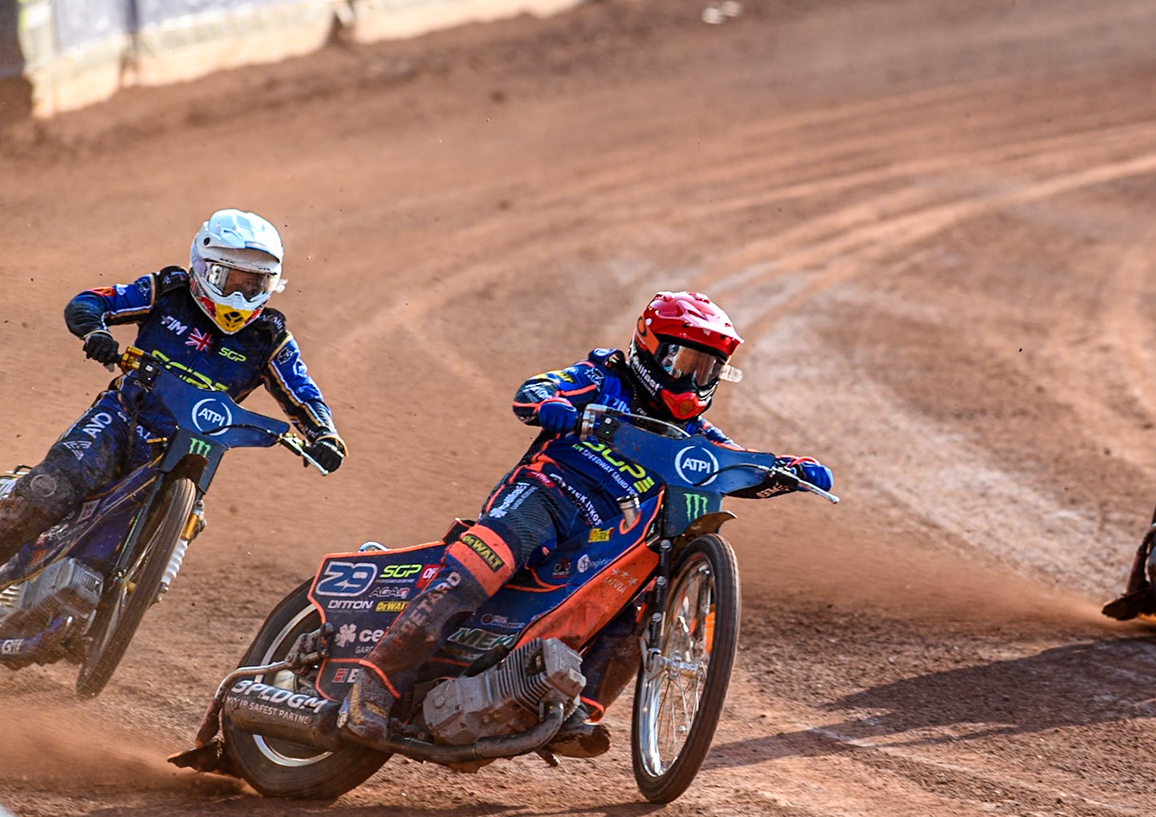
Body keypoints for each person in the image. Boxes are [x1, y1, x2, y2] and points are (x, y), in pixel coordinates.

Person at [337, 291, 833, 754]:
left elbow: (733, 463)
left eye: (707, 369)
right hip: (547, 495)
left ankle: (569, 709)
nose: (692, 379)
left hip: (600, 537)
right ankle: (373, 685)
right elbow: (535, 390)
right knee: (481, 566)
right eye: (682, 362)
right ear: (649, 349)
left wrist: (790, 470)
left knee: (641, 606)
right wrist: (551, 406)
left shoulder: (694, 437)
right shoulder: (604, 377)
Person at [0, 209, 346, 643]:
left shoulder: (269, 337)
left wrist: (324, 434)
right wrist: (96, 332)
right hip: (120, 420)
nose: (244, 293)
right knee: (47, 491)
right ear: (205, 269)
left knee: (178, 534)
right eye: (235, 279)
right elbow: (91, 301)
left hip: (186, 452)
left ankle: (91, 627)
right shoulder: (168, 292)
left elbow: (303, 393)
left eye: (257, 283)